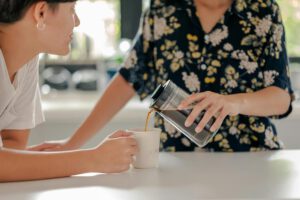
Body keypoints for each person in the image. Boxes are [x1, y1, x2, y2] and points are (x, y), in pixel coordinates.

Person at [32, 0, 294, 152]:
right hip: (174, 158)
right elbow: (128, 78)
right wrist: (72, 144)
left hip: (250, 156)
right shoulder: (163, 9)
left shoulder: (262, 11)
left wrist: (233, 102)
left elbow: (281, 98)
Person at [0, 0, 138, 182]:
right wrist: (94, 159)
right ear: (41, 13)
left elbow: (13, 144)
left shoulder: (26, 61)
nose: (78, 21)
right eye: (72, 9)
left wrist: (19, 163)